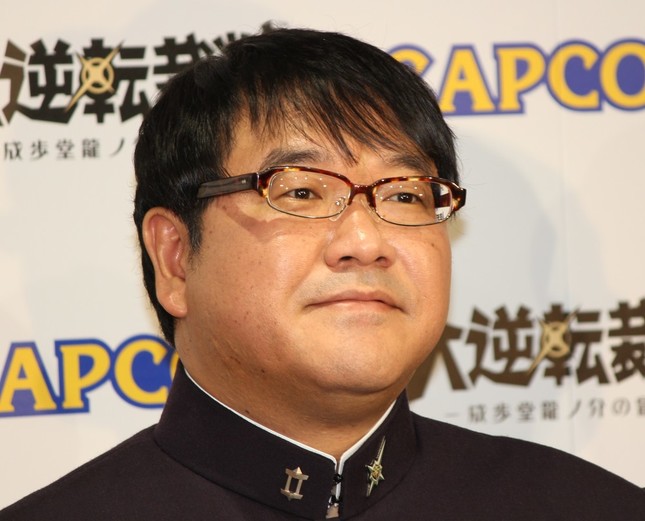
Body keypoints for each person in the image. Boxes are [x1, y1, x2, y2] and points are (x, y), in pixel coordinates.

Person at [1, 27, 642, 521]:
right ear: (175, 258)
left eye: (404, 195)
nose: (365, 242)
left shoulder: (588, 506)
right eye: (301, 192)